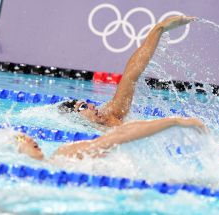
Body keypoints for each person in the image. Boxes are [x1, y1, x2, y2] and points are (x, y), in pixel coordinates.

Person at [58, 16, 196, 127]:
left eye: (87, 103)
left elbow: (131, 74)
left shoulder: (111, 113)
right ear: (74, 118)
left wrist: (159, 29)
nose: (92, 105)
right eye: (83, 106)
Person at [13, 117, 207, 161]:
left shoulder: (63, 154)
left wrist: (173, 122)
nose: (30, 139)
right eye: (22, 140)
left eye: (27, 136)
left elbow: (118, 135)